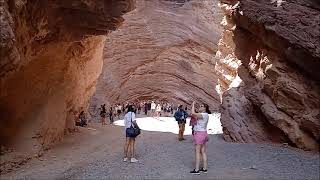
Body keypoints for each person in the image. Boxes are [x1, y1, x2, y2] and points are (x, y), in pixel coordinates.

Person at [189, 101, 211, 175]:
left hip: (199, 134)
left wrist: (193, 104)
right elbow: (194, 116)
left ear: (205, 108)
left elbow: (192, 113)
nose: (200, 107)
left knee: (197, 152)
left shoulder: (203, 114)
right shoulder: (206, 115)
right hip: (204, 133)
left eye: (202, 106)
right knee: (203, 151)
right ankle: (204, 168)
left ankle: (197, 169)